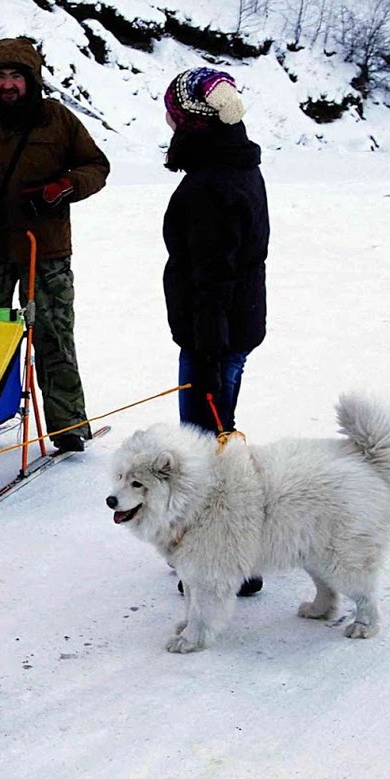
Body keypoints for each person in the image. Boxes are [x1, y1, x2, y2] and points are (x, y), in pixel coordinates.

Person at [0, 37, 109, 452]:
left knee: (54, 337)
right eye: (1, 77)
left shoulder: (59, 120)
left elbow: (96, 166)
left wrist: (63, 187)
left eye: (17, 77)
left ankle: (67, 429)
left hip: (44, 251)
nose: (9, 85)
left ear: (32, 80)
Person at [162, 67, 269, 597]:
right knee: (218, 439)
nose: (169, 123)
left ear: (192, 123)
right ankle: (230, 555)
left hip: (215, 336)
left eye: (175, 116)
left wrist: (205, 346)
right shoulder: (237, 163)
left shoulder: (212, 184)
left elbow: (213, 273)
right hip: (234, 327)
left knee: (207, 449)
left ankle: (225, 563)